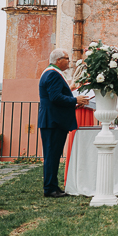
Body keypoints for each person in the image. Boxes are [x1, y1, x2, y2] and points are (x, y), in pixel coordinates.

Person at [38, 48, 88, 197]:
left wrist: (74, 104)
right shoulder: (53, 74)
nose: (69, 61)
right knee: (52, 155)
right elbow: (55, 97)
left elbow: (57, 97)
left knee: (53, 155)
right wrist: (75, 99)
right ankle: (50, 189)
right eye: (66, 58)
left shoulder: (50, 72)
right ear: (58, 60)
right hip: (53, 121)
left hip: (53, 120)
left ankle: (53, 186)